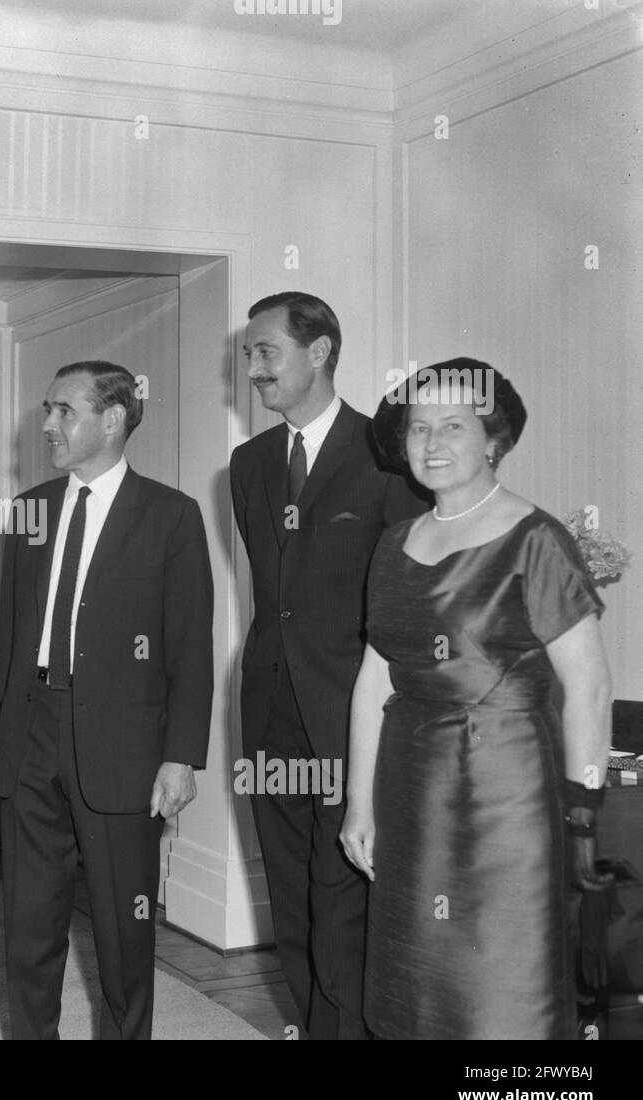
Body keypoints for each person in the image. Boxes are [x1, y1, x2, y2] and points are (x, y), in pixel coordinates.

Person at [340, 359, 613, 1039]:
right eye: (418, 428)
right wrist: (358, 804)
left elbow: (589, 684)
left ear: (493, 439)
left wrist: (582, 814)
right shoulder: (394, 542)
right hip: (410, 788)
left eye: (453, 426)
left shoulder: (536, 540)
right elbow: (375, 677)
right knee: (415, 980)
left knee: (499, 985)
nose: (431, 442)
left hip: (506, 796)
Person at [0, 360, 214, 1040]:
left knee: (123, 933)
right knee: (27, 928)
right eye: (47, 410)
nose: (48, 424)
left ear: (113, 420)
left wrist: (181, 758)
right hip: (32, 739)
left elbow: (190, 648)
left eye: (65, 410)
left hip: (126, 751)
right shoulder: (31, 512)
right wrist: (2, 741)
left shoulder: (172, 516)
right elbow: (13, 637)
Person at [230, 292, 427, 1040]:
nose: (252, 369)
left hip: (355, 719)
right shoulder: (247, 466)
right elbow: (273, 595)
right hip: (271, 715)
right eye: (247, 354)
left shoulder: (384, 456)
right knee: (291, 899)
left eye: (265, 352)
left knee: (342, 898)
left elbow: (404, 598)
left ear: (318, 353)